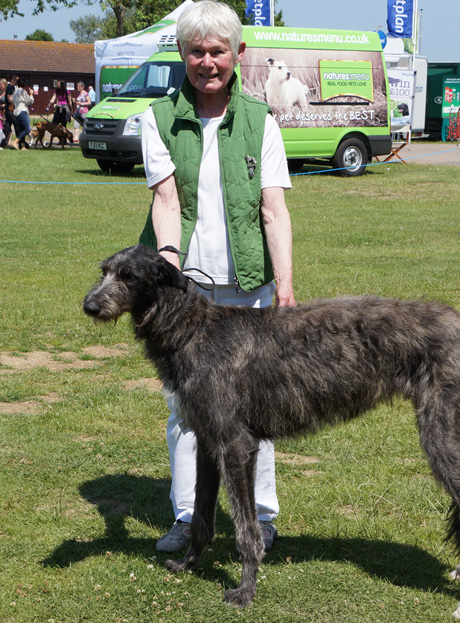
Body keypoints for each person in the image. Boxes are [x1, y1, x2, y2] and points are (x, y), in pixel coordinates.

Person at [138, 0, 295, 554]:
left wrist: (286, 284)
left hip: (246, 285)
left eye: (218, 50)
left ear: (238, 54)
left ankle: (262, 516)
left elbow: (273, 209)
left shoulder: (261, 121)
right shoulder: (156, 119)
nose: (208, 61)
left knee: (256, 406)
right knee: (186, 409)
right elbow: (165, 200)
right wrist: (170, 274)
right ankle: (189, 517)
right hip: (186, 292)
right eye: (197, 51)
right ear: (182, 54)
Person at [12, 78, 34, 150]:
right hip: (22, 111)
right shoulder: (23, 91)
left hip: (16, 111)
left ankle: (23, 146)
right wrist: (31, 94)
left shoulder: (15, 91)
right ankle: (15, 141)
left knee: (22, 129)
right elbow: (29, 101)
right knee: (27, 129)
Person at [1, 75, 19, 149]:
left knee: (7, 127)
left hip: (8, 110)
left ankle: (3, 143)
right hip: (10, 110)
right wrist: (18, 102)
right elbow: (9, 99)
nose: (18, 82)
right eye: (17, 80)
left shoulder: (11, 87)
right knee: (17, 125)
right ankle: (20, 142)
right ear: (13, 80)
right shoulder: (10, 88)